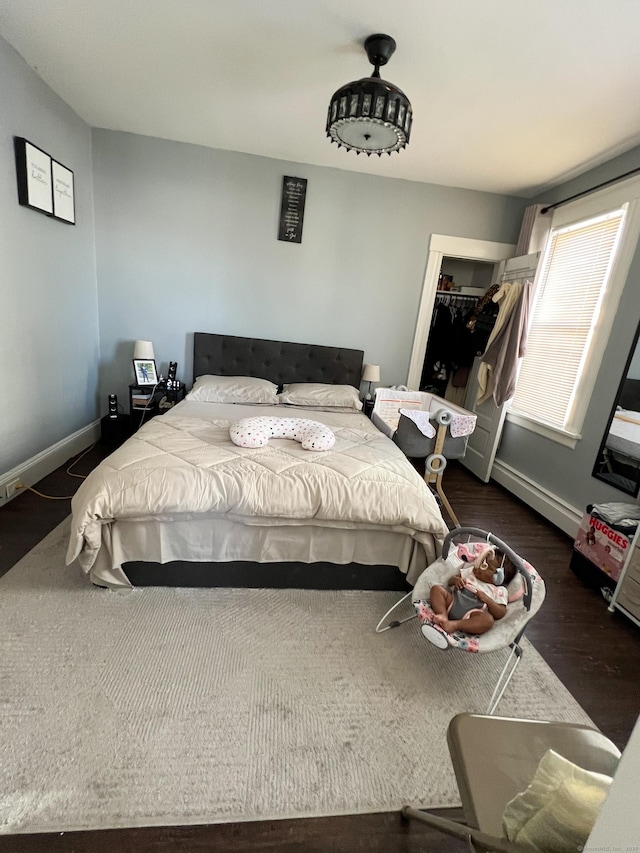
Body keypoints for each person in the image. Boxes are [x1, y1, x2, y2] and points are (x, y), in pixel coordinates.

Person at [427, 546, 517, 637]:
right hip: (453, 601)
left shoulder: (499, 590)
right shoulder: (471, 572)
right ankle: (442, 615)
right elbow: (450, 581)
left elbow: (500, 613)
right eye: (481, 561)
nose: (480, 567)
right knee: (436, 589)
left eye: (487, 567)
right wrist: (456, 580)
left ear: (499, 577)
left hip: (470, 615)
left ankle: (455, 625)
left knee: (488, 621)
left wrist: (487, 600)